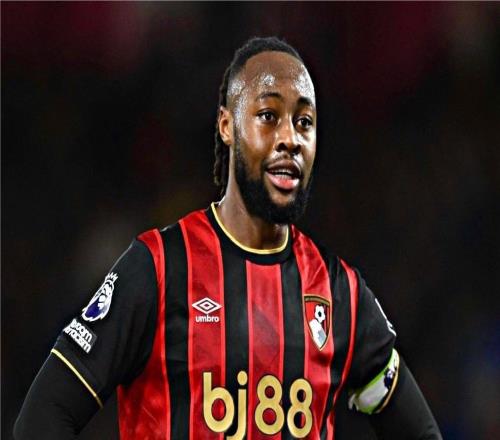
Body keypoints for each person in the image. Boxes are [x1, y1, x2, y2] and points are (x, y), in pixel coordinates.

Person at [14, 36, 442, 440]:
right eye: (269, 116)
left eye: (304, 122)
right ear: (227, 126)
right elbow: (43, 417)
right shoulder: (159, 269)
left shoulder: (339, 292)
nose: (290, 139)